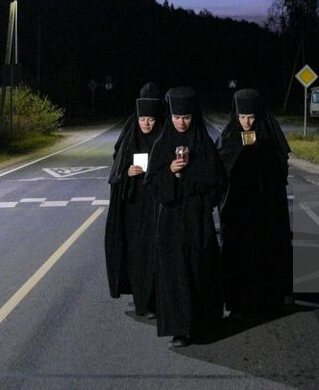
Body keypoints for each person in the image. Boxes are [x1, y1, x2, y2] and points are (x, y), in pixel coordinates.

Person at [146, 86, 224, 347]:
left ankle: (203, 324)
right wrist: (170, 172)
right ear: (170, 117)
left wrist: (192, 183)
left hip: (198, 219)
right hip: (171, 221)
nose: (181, 122)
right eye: (177, 117)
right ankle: (179, 329)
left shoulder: (204, 144)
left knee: (200, 270)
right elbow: (153, 184)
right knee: (174, 273)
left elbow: (217, 183)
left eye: (186, 117)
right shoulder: (162, 144)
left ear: (194, 117)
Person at [216, 88, 292, 318]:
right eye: (242, 117)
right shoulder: (229, 136)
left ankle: (269, 297)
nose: (246, 122)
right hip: (237, 208)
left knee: (266, 250)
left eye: (250, 117)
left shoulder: (269, 136)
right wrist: (239, 153)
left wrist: (261, 152)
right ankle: (237, 301)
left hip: (265, 207)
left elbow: (280, 170)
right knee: (237, 253)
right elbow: (220, 168)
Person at [105, 83, 166, 319]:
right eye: (142, 119)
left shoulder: (164, 139)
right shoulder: (130, 140)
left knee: (159, 252)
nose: (146, 124)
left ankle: (160, 301)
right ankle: (143, 303)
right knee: (138, 255)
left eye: (151, 119)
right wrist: (127, 173)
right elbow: (117, 173)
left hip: (159, 205)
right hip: (135, 209)